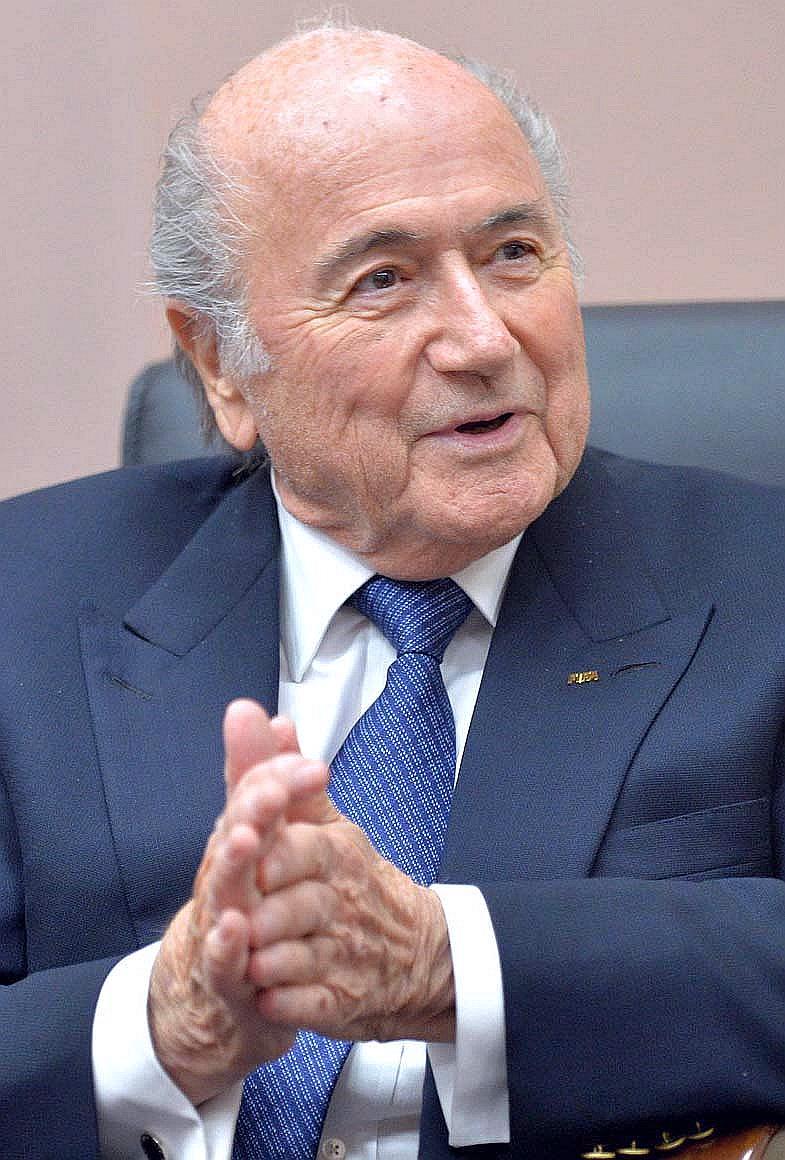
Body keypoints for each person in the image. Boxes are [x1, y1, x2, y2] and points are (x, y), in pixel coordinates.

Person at [1, 22, 785, 1160]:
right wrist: (157, 1029)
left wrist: (452, 963)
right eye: (382, 279)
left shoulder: (759, 579)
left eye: (513, 252)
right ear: (220, 365)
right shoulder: (23, 603)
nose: (482, 338)